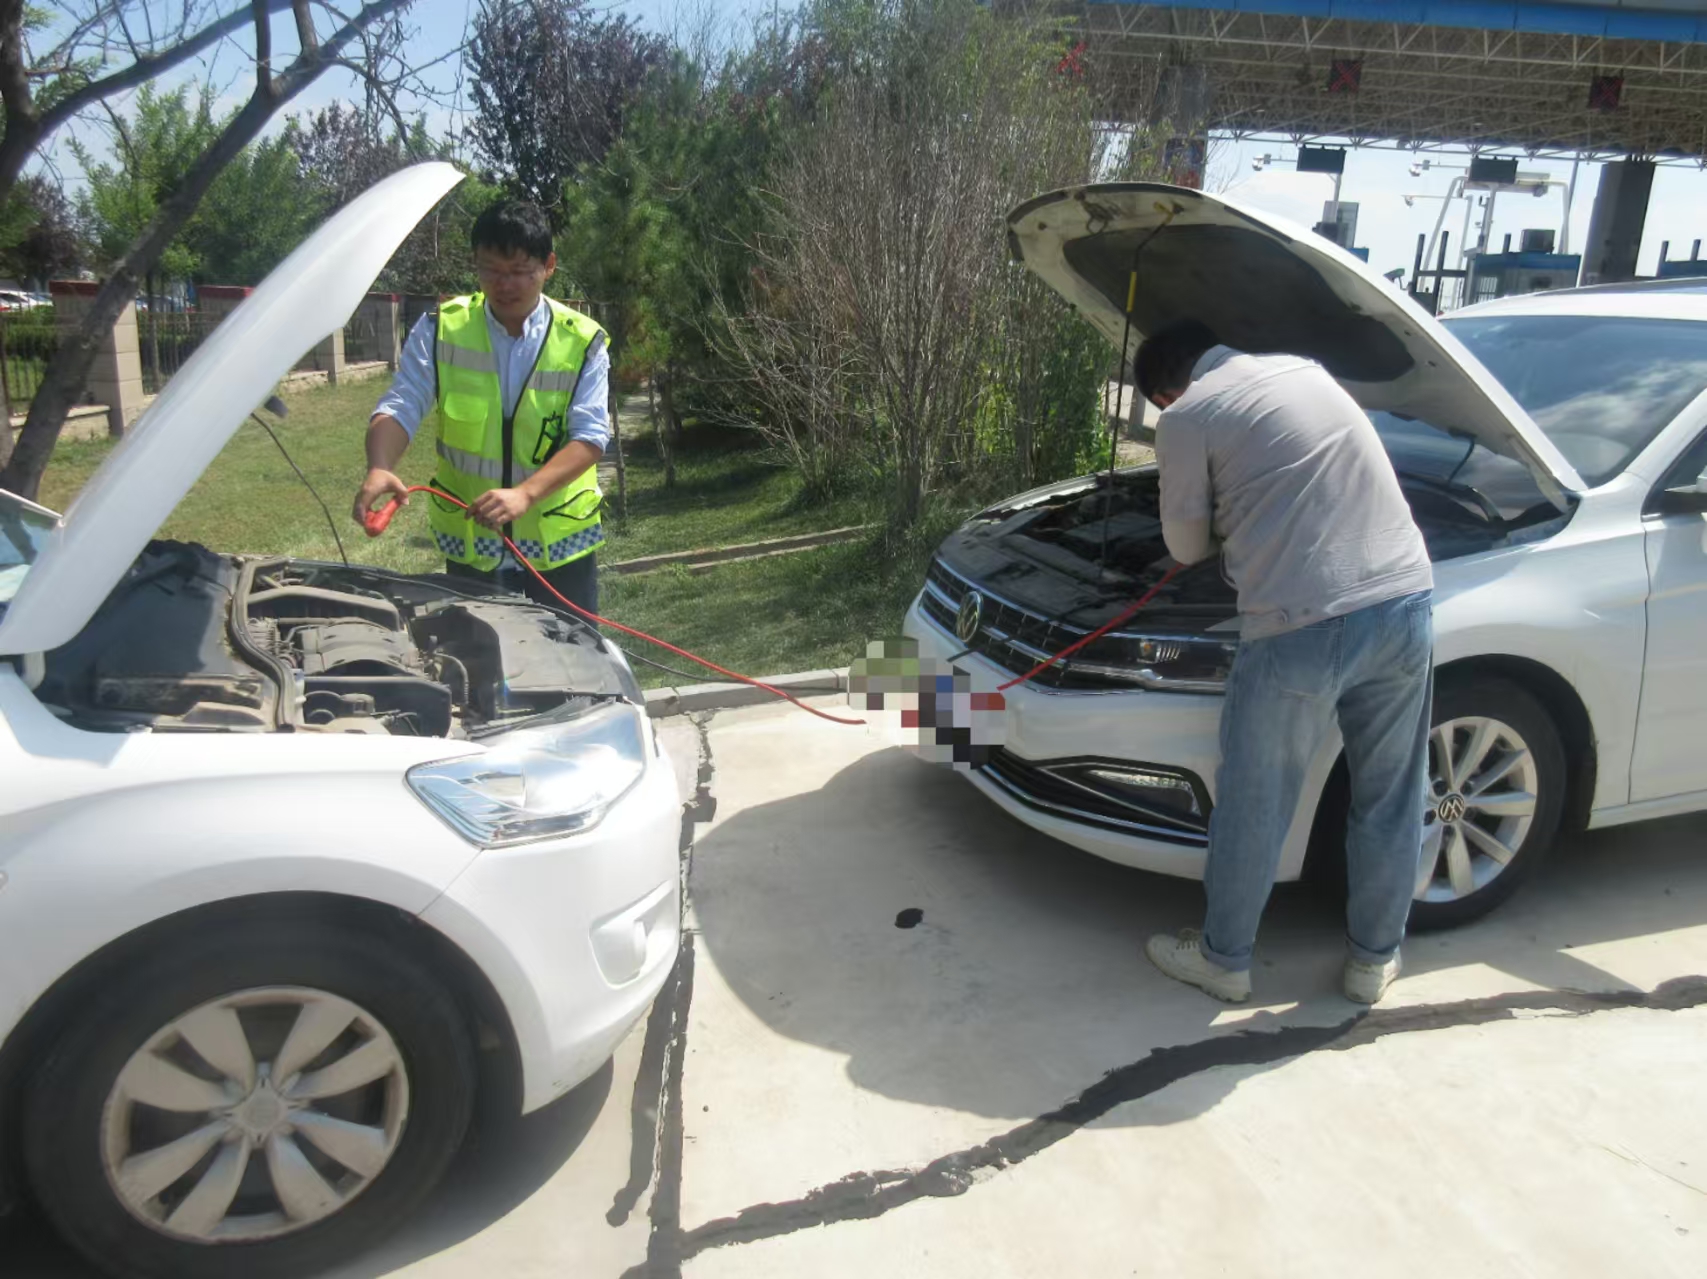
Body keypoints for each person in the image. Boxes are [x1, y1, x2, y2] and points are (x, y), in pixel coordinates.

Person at [1135, 320, 1434, 1007]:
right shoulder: (1307, 369)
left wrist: (1221, 516)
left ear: (1165, 392)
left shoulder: (1187, 415)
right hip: (1404, 602)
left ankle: (1224, 960)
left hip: (1298, 622)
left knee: (1256, 798)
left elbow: (1184, 549)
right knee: (1391, 792)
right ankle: (1372, 960)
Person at [354, 198, 611, 615]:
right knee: (479, 652)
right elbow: (403, 403)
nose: (504, 284)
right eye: (490, 269)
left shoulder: (584, 341)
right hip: (474, 543)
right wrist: (380, 465)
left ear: (549, 266)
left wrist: (525, 494)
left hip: (560, 547)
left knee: (570, 654)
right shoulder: (441, 329)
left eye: (520, 271)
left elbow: (591, 436)